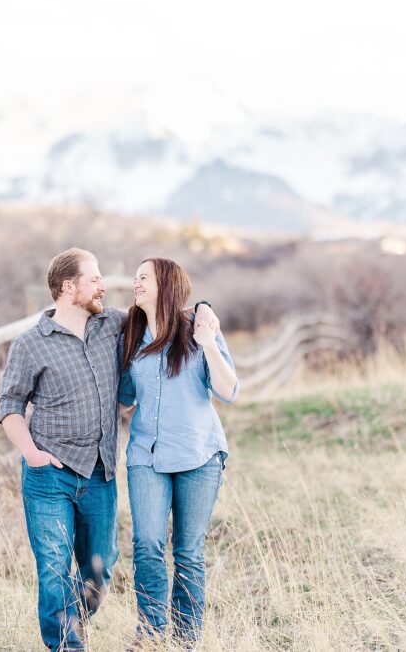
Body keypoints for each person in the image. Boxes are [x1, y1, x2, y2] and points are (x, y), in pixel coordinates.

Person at [0, 248, 219, 651]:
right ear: (69, 287)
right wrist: (31, 453)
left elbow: (166, 308)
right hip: (49, 474)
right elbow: (9, 406)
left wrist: (204, 307)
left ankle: (75, 621)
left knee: (99, 571)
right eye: (95, 278)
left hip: (99, 473)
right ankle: (66, 644)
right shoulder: (30, 345)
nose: (104, 286)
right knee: (53, 569)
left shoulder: (113, 325)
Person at [118, 257, 238, 647]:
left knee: (187, 550)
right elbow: (124, 397)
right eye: (135, 278)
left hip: (198, 454)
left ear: (166, 283)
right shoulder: (131, 336)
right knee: (147, 544)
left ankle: (186, 640)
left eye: (144, 278)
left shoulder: (199, 327)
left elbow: (228, 390)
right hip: (146, 455)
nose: (136, 283)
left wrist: (209, 346)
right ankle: (152, 635)